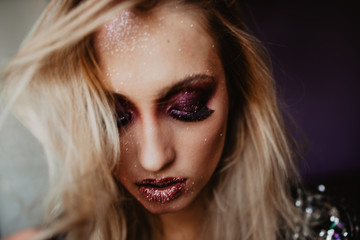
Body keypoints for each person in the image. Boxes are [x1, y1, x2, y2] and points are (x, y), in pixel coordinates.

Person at [1, 0, 358, 240]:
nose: (154, 157)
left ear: (238, 89)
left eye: (187, 105)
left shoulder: (324, 230)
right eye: (112, 117)